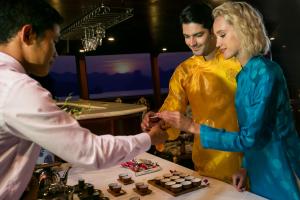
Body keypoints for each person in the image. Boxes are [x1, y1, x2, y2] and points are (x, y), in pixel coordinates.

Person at [0, 0, 168, 199]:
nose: (55, 52)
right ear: (28, 34)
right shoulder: (17, 88)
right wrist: (150, 138)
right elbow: (91, 152)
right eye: (53, 41)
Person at [157, 2, 300, 199]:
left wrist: (192, 127)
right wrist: (245, 167)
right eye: (187, 36)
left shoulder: (264, 71)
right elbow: (251, 130)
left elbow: (250, 138)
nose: (217, 43)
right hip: (248, 166)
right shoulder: (245, 73)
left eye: (221, 35)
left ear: (243, 30)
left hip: (278, 167)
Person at [141, 3, 243, 183]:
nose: (192, 43)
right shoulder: (184, 71)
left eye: (198, 35)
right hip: (204, 161)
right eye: (186, 36)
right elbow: (172, 112)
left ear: (213, 30)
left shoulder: (239, 63)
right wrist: (156, 121)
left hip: (242, 161)